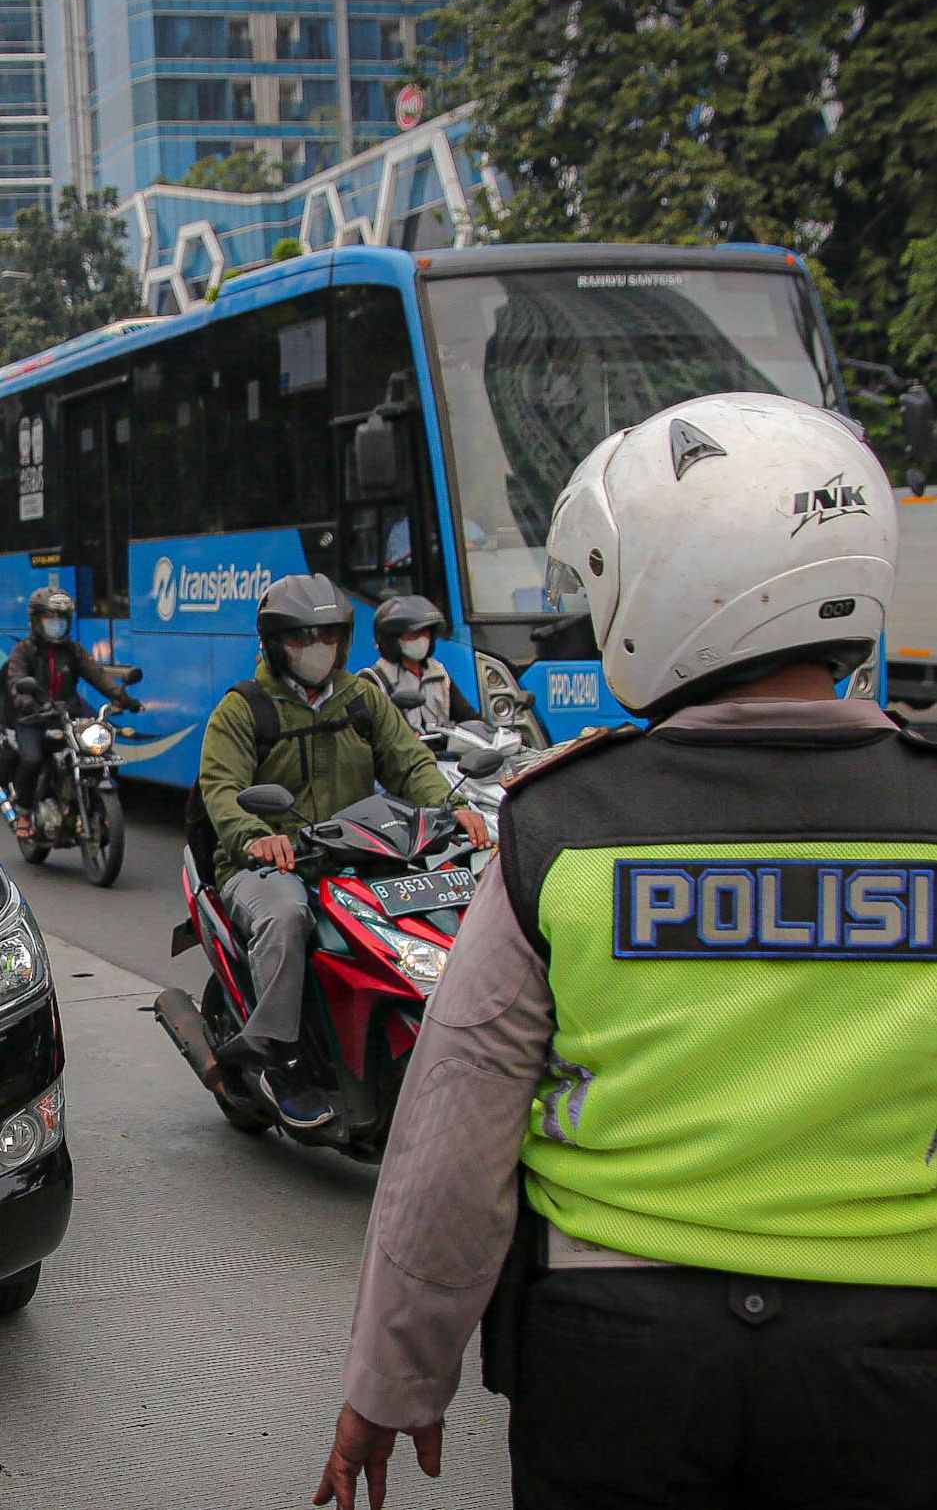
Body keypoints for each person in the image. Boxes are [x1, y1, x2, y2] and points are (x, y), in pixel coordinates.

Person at [316, 393, 937, 1510]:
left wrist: (392, 1382)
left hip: (615, 1360)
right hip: (896, 1359)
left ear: (662, 589)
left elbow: (452, 1151)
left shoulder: (562, 831)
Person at [198, 572, 488, 1132]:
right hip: (268, 864)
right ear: (275, 643)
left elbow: (410, 763)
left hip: (356, 852)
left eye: (327, 635)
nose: (316, 649)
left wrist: (455, 809)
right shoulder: (243, 710)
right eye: (302, 638)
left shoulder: (361, 699)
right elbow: (221, 791)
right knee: (287, 917)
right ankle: (280, 1060)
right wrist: (256, 836)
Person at [7, 587, 143, 840]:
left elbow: (98, 675)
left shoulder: (73, 650)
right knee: (33, 759)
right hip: (34, 717)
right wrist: (29, 702)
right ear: (36, 620)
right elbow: (16, 682)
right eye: (50, 618)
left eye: (62, 619)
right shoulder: (24, 651)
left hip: (70, 712)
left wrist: (124, 699)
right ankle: (24, 811)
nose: (56, 624)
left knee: (104, 749)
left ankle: (97, 807)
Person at [361, 594, 482, 737]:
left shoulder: (438, 672)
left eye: (425, 633)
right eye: (413, 634)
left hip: (442, 757)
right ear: (392, 639)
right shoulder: (373, 679)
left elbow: (468, 716)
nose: (421, 639)